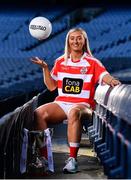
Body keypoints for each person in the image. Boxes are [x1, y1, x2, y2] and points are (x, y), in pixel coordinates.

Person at [31, 27, 121, 173]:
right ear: (68, 41)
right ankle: (44, 158)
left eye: (79, 38)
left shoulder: (92, 62)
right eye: (72, 38)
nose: (75, 41)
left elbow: (105, 76)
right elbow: (52, 87)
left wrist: (112, 81)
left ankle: (72, 160)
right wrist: (45, 69)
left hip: (83, 105)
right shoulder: (60, 61)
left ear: (84, 41)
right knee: (38, 113)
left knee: (73, 112)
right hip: (62, 103)